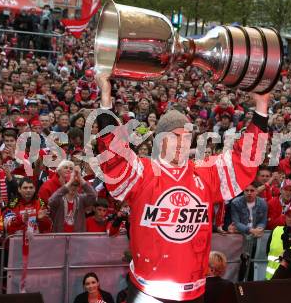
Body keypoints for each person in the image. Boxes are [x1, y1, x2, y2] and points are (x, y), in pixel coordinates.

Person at [95, 73, 269, 302]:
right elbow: (114, 156)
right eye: (175, 136)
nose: (182, 143)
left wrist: (262, 106)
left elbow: (244, 159)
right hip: (147, 291)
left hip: (193, 290)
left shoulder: (205, 172)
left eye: (187, 137)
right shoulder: (143, 172)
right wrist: (106, 98)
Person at [48, 166, 97, 232]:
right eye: (71, 184)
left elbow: (93, 196)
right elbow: (51, 201)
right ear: (67, 185)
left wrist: (80, 178)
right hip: (60, 236)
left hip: (77, 237)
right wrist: (70, 181)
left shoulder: (81, 199)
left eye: (76, 185)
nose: (73, 187)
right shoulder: (59, 198)